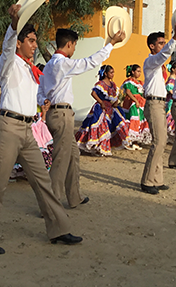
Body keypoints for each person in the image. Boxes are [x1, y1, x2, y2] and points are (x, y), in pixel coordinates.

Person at [0, 4, 81, 255]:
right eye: (30, 40)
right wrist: (13, 26)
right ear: (20, 42)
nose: (34, 45)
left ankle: (59, 229)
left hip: (28, 129)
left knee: (43, 180)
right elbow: (7, 46)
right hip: (9, 128)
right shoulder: (8, 63)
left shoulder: (31, 70)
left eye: (35, 40)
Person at [38, 28, 123, 208]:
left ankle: (74, 196)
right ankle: (50, 203)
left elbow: (40, 90)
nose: (74, 49)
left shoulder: (49, 65)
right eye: (75, 45)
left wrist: (43, 100)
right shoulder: (62, 63)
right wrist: (111, 44)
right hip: (61, 114)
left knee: (73, 154)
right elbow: (90, 62)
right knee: (61, 159)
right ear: (69, 44)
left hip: (57, 112)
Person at [139, 25, 176, 195]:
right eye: (160, 43)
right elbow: (164, 54)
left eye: (164, 43)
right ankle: (147, 180)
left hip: (159, 104)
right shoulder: (151, 61)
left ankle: (157, 179)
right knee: (158, 142)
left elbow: (164, 55)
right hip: (153, 104)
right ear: (152, 46)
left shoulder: (159, 67)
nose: (163, 45)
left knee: (162, 141)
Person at [0, 104, 53, 180]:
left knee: (28, 145)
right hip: (12, 112)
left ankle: (23, 170)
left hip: (28, 113)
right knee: (9, 145)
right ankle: (7, 171)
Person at [75, 65, 131, 156]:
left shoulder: (113, 85)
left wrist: (116, 102)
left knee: (113, 125)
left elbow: (113, 97)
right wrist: (101, 102)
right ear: (105, 73)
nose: (112, 74)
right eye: (111, 72)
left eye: (113, 72)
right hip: (100, 109)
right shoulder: (100, 84)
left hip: (110, 109)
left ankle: (102, 147)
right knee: (101, 127)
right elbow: (93, 93)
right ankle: (97, 147)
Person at [121, 64, 151, 149]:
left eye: (140, 71)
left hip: (141, 103)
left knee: (140, 120)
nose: (139, 73)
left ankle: (136, 141)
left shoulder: (140, 83)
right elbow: (128, 91)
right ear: (133, 72)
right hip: (133, 103)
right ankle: (131, 141)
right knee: (134, 120)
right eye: (138, 71)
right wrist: (135, 100)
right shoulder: (129, 81)